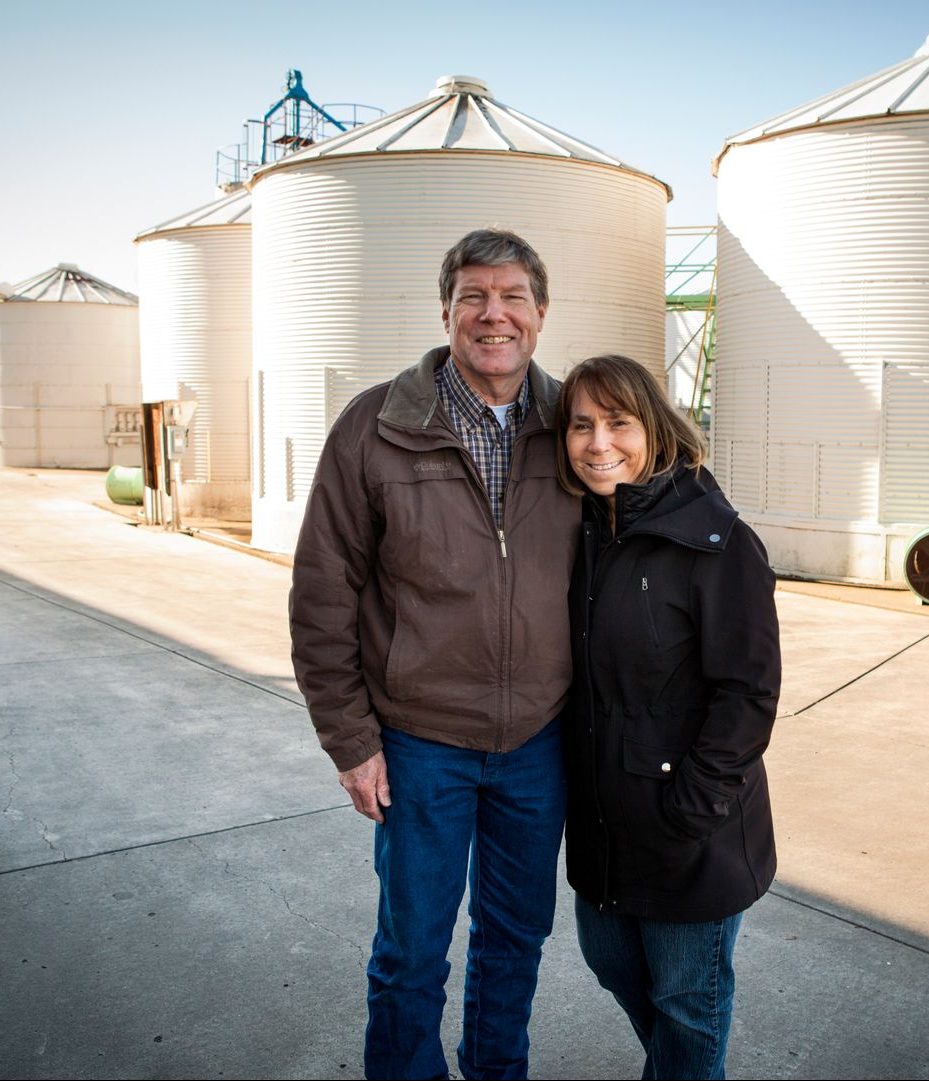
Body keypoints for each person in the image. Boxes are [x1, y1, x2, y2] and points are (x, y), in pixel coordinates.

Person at [289, 229, 580, 1081]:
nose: (495, 315)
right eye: (475, 298)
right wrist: (350, 740)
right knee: (411, 951)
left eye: (513, 296)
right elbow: (322, 592)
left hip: (540, 742)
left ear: (540, 312)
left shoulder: (576, 424)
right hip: (419, 744)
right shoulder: (375, 424)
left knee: (514, 943)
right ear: (446, 310)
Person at [555, 354, 781, 1080]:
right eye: (580, 424)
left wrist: (693, 805)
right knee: (612, 963)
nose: (598, 442)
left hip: (691, 831)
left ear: (653, 425)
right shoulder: (581, 534)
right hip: (601, 825)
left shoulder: (715, 542)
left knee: (688, 1004)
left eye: (617, 421)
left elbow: (747, 692)